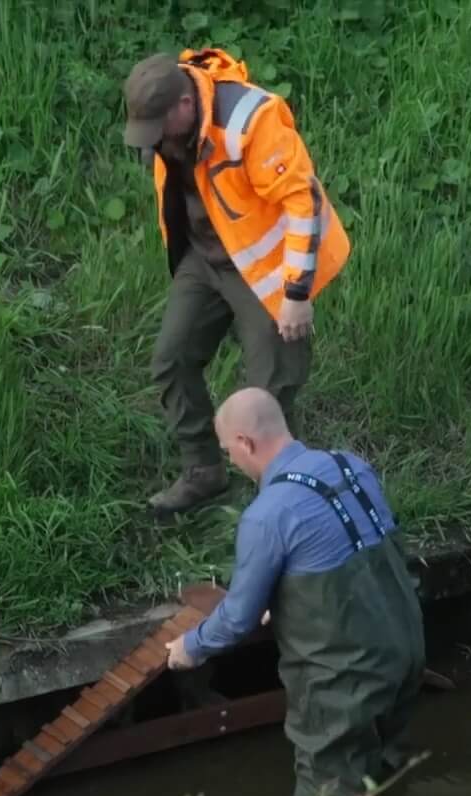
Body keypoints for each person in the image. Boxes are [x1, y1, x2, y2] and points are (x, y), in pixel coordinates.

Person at [165, 388, 426, 796]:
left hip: (344, 682)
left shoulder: (268, 515)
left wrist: (190, 648)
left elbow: (237, 618)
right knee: (390, 774)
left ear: (245, 443)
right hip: (405, 650)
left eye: (228, 449)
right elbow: (351, 557)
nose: (230, 461)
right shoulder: (352, 466)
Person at [121, 48, 352, 516]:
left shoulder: (252, 120)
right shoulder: (167, 122)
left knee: (270, 392)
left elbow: (302, 202)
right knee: (172, 358)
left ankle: (279, 503)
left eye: (159, 131)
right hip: (203, 260)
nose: (153, 145)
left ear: (185, 106)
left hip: (264, 270)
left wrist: (295, 294)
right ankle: (204, 473)